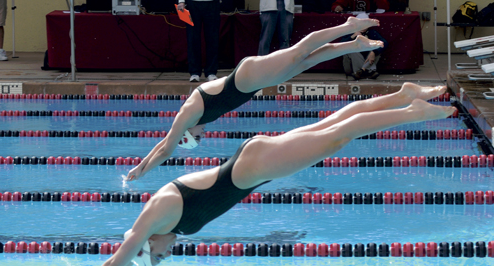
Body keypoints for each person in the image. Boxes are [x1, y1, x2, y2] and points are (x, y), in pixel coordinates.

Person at [77, 83, 452, 266]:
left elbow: (117, 261)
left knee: (337, 136)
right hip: (255, 166)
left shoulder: (154, 217)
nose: (165, 255)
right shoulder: (166, 227)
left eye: (157, 256)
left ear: (147, 244)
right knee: (331, 127)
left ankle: (410, 112)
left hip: (254, 166)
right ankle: (401, 97)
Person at [126, 17, 384, 182]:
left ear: (188, 133)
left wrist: (140, 170)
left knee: (298, 53)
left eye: (199, 137)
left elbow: (166, 148)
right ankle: (355, 45)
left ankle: (348, 27)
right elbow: (164, 142)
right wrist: (142, 164)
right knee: (307, 60)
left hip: (246, 77)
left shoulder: (189, 114)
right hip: (253, 82)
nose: (203, 134)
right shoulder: (194, 119)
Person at [177, 0, 220, 82]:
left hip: (212, 3)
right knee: (192, 38)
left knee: (212, 38)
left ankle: (211, 72)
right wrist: (181, 1)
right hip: (192, 3)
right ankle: (194, 72)